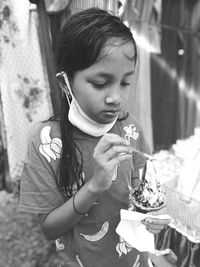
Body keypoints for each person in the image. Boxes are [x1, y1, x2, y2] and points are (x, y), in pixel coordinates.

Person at [19, 8, 170, 267]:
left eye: (124, 82)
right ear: (66, 82)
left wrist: (152, 220)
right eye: (100, 84)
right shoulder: (45, 142)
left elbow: (141, 197)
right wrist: (94, 186)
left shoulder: (130, 129)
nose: (116, 98)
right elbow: (49, 229)